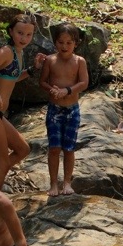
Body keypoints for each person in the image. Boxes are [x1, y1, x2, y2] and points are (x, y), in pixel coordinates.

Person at [0, 13, 46, 190]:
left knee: (23, 150)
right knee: (3, 164)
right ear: (11, 31)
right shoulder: (6, 51)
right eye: (20, 33)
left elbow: (13, 78)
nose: (24, 38)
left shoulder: (18, 53)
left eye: (28, 35)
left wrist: (33, 69)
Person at [39, 22, 89, 196]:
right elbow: (42, 81)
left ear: (76, 43)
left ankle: (67, 182)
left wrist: (67, 91)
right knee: (54, 148)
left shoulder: (79, 61)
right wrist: (51, 89)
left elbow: (84, 83)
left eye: (69, 43)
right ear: (55, 42)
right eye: (61, 42)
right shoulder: (50, 60)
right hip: (54, 110)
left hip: (72, 110)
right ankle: (53, 183)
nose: (64, 46)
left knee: (69, 148)